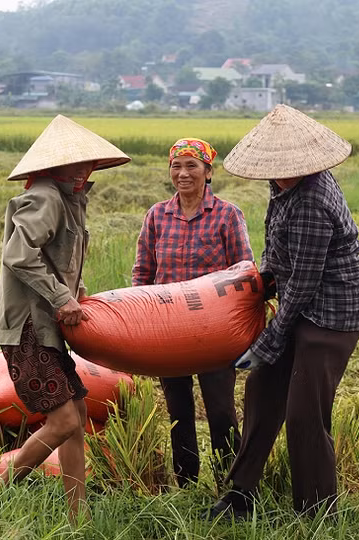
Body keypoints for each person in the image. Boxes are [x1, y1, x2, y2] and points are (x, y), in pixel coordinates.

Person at [208, 105, 359, 519]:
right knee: (262, 392)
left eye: (285, 165)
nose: (278, 171)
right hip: (300, 306)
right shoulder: (281, 187)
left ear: (304, 161)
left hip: (331, 316)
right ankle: (241, 494)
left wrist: (269, 339)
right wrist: (256, 282)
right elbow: (276, 252)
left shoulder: (313, 199)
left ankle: (317, 512)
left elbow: (303, 283)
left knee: (304, 414)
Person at [0, 115, 130, 522]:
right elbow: (19, 255)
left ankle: (78, 515)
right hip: (29, 327)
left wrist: (78, 288)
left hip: (46, 327)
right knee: (64, 419)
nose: (84, 171)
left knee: (79, 417)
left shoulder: (69, 201)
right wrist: (61, 297)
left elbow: (59, 256)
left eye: (88, 164)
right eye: (76, 164)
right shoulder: (47, 197)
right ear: (54, 166)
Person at [132, 137, 254, 488]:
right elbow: (143, 272)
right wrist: (138, 317)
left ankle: (230, 484)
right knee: (178, 410)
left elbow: (243, 271)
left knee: (220, 409)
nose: (183, 174)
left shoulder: (227, 215)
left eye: (191, 166)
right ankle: (186, 481)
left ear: (207, 171)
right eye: (176, 166)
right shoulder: (157, 214)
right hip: (168, 327)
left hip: (213, 329)